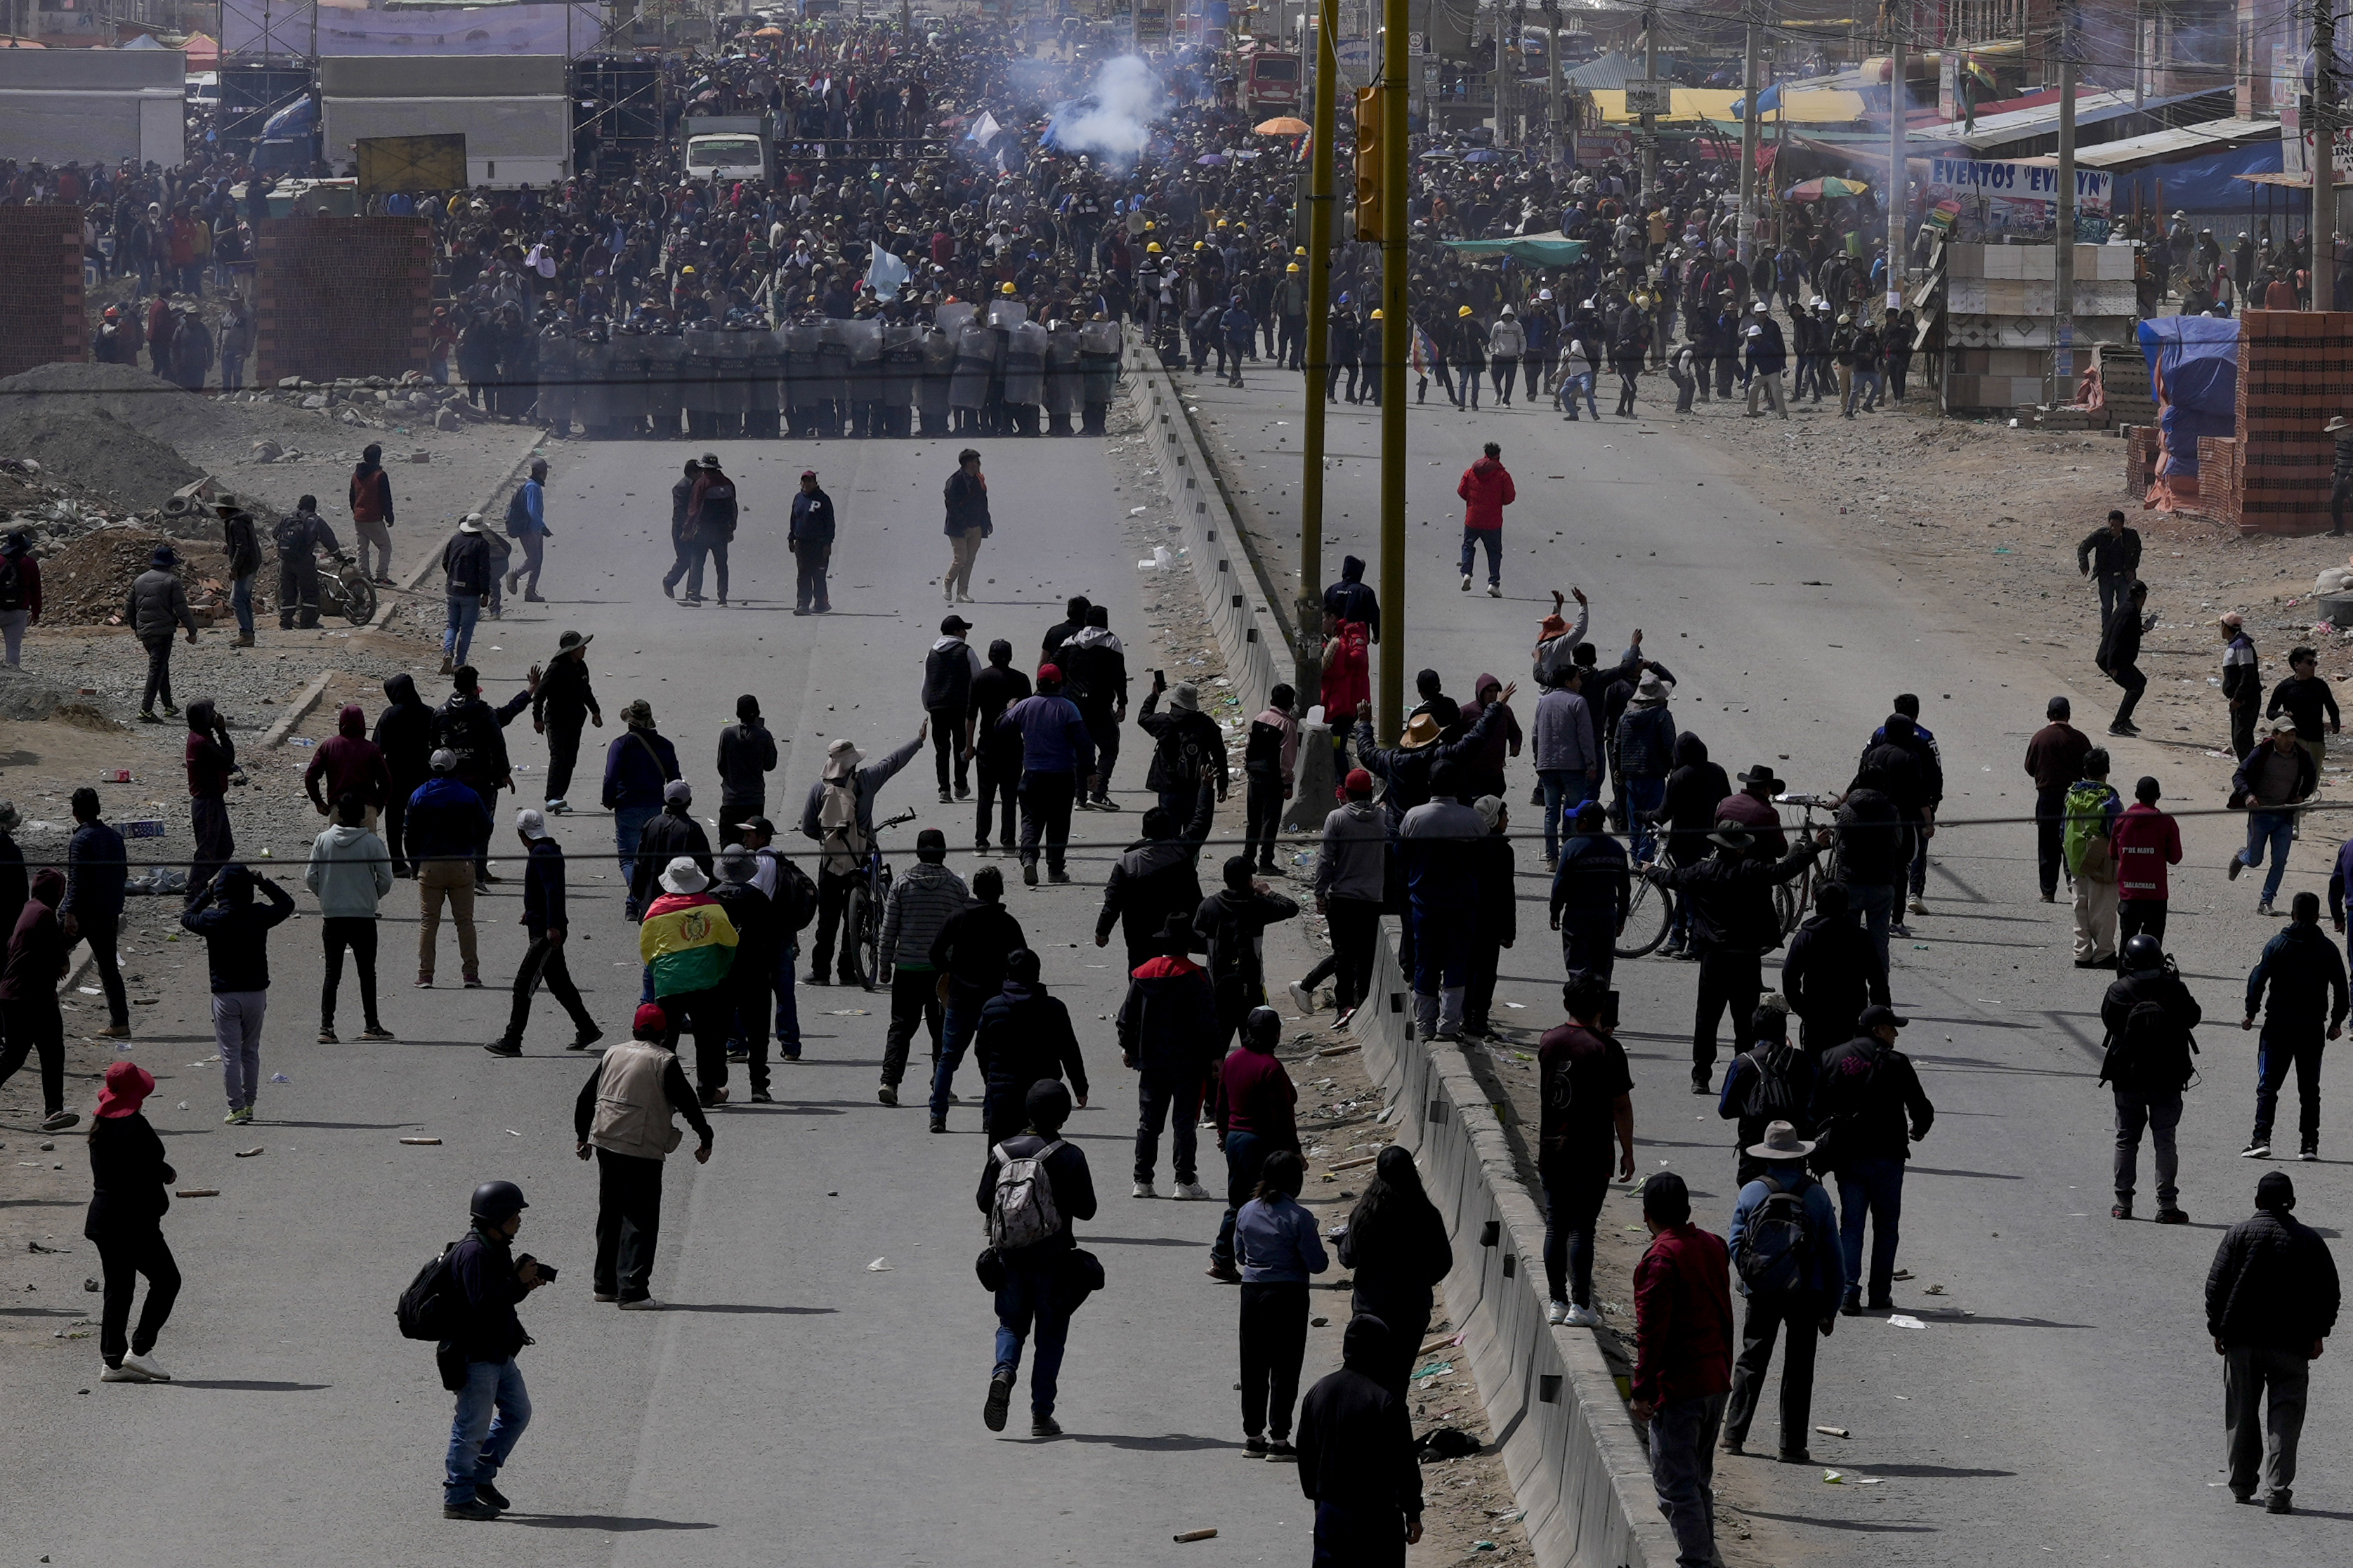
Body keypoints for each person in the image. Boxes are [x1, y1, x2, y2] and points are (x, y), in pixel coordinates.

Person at [1648, 824, 1827, 1093]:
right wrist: (1815, 847)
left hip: (1713, 959)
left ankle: (1701, 1077)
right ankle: (1745, 1074)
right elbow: (1785, 870)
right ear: (1741, 847)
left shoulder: (1702, 871)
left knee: (1706, 1021)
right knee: (1745, 1023)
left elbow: (1672, 877)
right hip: (1746, 958)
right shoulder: (1753, 870)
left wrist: (1650, 869)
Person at [2205, 1171, 2340, 1513]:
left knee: (2241, 1413)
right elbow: (2329, 1293)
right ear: (2292, 1203)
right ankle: (2277, 1491)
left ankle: (2241, 1486)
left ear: (2257, 1202)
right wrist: (2318, 1333)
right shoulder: (2309, 1240)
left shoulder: (2238, 1235)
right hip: (2291, 1346)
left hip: (2242, 1342)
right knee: (2286, 1419)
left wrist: (2218, 1329)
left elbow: (2216, 1287)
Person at [574, 1003, 714, 1311]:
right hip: (641, 1148)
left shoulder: (612, 1053)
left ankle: (605, 1286)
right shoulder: (663, 1060)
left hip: (606, 1141)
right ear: (665, 1034)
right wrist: (706, 1136)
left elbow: (585, 1098)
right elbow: (688, 1103)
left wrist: (583, 1137)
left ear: (634, 1030)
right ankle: (634, 1292)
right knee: (640, 1218)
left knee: (610, 1214)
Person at [978, 1079, 1097, 1438]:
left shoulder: (1001, 1152)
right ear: (1062, 1116)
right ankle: (1041, 1415)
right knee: (1050, 1337)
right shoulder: (1070, 1155)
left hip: (1010, 1261)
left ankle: (1003, 1373)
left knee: (1011, 1325)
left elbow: (985, 1202)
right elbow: (1088, 1210)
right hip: (1054, 1262)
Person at [1722, 1120, 1844, 1463]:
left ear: (1767, 1156)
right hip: (1807, 1292)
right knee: (1800, 1366)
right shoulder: (1817, 1195)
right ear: (1798, 1157)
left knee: (1751, 1360)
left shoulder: (1751, 1191)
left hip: (1762, 1290)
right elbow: (1835, 1257)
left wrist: (1751, 1278)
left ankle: (1734, 1435)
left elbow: (1735, 1243)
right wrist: (1830, 1308)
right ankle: (1791, 1445)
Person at [1629, 1170, 1734, 1568]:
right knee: (1697, 1481)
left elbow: (1652, 1333)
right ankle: (1704, 1555)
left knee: (1676, 1487)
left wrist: (1641, 1390)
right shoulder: (1713, 1245)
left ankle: (1697, 1561)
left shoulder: (1660, 1259)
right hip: (1714, 1381)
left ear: (1647, 1215)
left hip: (1680, 1388)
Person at [1811, 1005, 1936, 1314]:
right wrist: (1918, 1129)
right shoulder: (1897, 1062)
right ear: (1878, 1030)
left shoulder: (1832, 1057)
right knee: (1886, 1227)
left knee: (1851, 1225)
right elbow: (1920, 1107)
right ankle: (1879, 1294)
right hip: (1889, 1157)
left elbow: (1814, 1109)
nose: (1896, 1034)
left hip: (1849, 1157)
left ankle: (1848, 1293)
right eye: (1892, 1028)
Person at [438, 1180, 549, 1520]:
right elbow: (482, 1305)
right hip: (475, 1357)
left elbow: (501, 1299)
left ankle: (480, 1476)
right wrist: (516, 1282)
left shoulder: (498, 1244)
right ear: (496, 1217)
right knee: (472, 1427)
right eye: (515, 1214)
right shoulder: (473, 1253)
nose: (520, 1219)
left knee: (518, 1412)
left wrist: (523, 1285)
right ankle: (457, 1498)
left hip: (499, 1352)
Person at [1540, 973, 1637, 1327]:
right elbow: (1621, 1106)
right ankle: (1581, 1304)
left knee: (1556, 1224)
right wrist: (1627, 1150)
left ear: (1566, 1004)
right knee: (1582, 1228)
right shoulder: (1607, 1049)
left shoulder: (1549, 1041)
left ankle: (1557, 1301)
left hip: (1553, 1147)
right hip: (1592, 1151)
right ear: (1600, 1008)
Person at [1295, 1315, 1424, 1566]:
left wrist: (1316, 1499)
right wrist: (1413, 1512)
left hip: (1330, 1512)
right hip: (1378, 1517)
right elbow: (1404, 1463)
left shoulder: (1319, 1391)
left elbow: (1306, 1451)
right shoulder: (1386, 1400)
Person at [799, 727, 924, 980]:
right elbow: (894, 762)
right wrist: (918, 741)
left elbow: (808, 828)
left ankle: (820, 970)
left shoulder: (818, 790)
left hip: (831, 862)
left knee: (828, 919)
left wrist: (830, 841)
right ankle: (849, 970)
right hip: (862, 860)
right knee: (856, 916)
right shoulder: (867, 780)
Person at [179, 864, 297, 1126]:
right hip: (256, 994)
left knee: (230, 1055)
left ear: (221, 892)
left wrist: (206, 894)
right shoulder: (258, 914)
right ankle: (250, 1103)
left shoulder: (212, 919)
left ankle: (237, 1108)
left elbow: (187, 917)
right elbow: (287, 904)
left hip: (225, 996)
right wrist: (264, 882)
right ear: (249, 890)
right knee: (250, 1051)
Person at [86, 1061, 181, 1384]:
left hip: (103, 1217)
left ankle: (113, 1362)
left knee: (119, 1288)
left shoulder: (100, 1124)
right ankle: (139, 1352)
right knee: (167, 1281)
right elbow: (149, 1165)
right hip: (133, 1220)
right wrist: (167, 1173)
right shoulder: (135, 1127)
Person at [482, 808, 603, 1058]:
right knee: (560, 984)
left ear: (521, 833)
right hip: (546, 926)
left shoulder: (541, 854)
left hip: (546, 934)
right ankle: (587, 1028)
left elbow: (553, 892)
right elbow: (545, 891)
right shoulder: (549, 850)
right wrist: (532, 911)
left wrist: (552, 926)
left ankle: (512, 1040)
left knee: (522, 985)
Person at [1233, 1147, 1328, 1458]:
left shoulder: (1246, 1211)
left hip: (1252, 1294)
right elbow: (1317, 1264)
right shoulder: (1300, 1217)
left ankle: (1253, 1436)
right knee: (1285, 1367)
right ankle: (1280, 1439)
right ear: (1295, 1182)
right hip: (1288, 1295)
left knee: (1253, 1365)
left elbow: (1239, 1255)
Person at [2099, 933, 2201, 1222]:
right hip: (2167, 1078)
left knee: (2126, 1140)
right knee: (2165, 1141)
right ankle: (2167, 1206)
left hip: (2128, 1078)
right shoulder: (2174, 989)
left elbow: (2109, 1022)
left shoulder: (2118, 991)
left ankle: (2123, 1204)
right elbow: (2193, 1016)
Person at [2241, 890, 2349, 1161]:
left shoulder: (2277, 944)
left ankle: (2261, 1139)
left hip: (2277, 1028)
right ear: (2316, 917)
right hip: (2312, 1029)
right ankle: (2309, 1145)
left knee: (2268, 1085)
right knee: (2309, 1089)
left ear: (2292, 914)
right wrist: (2336, 1022)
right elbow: (2342, 988)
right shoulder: (2328, 949)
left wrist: (2251, 1012)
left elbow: (2257, 980)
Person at [1337, 1145, 1453, 1395]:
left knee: (1367, 1377)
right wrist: (1420, 1282)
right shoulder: (1427, 1215)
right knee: (1398, 1380)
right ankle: (1392, 1429)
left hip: (1369, 1310)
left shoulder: (1365, 1214)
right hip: (1412, 1313)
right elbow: (1444, 1262)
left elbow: (1347, 1258)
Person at [1118, 912, 1219, 1200]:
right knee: (1184, 1123)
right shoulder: (1196, 975)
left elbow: (1126, 1019)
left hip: (1151, 1061)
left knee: (1148, 1123)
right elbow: (1208, 1020)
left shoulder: (1142, 973)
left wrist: (1128, 1048)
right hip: (1188, 1062)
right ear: (1187, 946)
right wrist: (1215, 1055)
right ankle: (1185, 1181)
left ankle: (1142, 1180)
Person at [928, 863, 1027, 1133]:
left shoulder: (958, 917)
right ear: (1001, 892)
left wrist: (950, 972)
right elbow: (1022, 961)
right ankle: (989, 1117)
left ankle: (938, 1114)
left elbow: (935, 952)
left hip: (959, 1000)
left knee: (948, 1058)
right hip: (994, 1004)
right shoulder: (1007, 923)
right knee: (993, 1062)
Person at [877, 828, 968, 1107]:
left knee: (901, 1027)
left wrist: (884, 964)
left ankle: (889, 1082)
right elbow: (965, 932)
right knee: (942, 1029)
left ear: (918, 853)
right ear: (943, 853)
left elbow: (889, 928)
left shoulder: (902, 884)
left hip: (907, 969)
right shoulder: (956, 886)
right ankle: (941, 1084)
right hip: (943, 973)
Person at [641, 856, 740, 1105]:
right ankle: (707, 1092)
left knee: (666, 1042)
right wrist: (719, 972)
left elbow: (647, 951)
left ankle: (666, 1094)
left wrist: (662, 974)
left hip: (669, 983)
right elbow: (730, 944)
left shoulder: (655, 911)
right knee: (706, 1040)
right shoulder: (713, 909)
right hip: (705, 984)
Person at [1294, 768, 1384, 1025]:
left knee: (1344, 956)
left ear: (1347, 793)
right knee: (1366, 956)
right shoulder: (1382, 819)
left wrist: (1320, 892)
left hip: (1342, 899)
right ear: (1370, 792)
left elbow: (1326, 860)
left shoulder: (1337, 819)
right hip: (1372, 899)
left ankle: (1344, 1006)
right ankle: (1363, 1002)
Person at [1096, 779, 1216, 971]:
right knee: (1178, 975)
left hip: (1140, 937)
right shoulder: (1181, 850)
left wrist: (1102, 931)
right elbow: (1202, 821)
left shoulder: (1128, 863)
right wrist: (1206, 788)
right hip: (1177, 934)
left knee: (1141, 979)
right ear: (1169, 830)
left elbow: (1113, 901)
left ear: (1144, 831)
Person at [973, 947, 1089, 1143]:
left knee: (1001, 1156)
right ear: (1037, 974)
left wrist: (991, 1081)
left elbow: (981, 1051)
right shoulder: (1054, 1008)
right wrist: (1080, 1088)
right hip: (1043, 1097)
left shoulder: (992, 1007)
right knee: (1045, 1154)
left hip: (1004, 1096)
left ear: (1008, 974)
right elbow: (1069, 1051)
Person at [304, 792, 395, 1044]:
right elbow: (386, 880)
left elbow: (311, 877)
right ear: (363, 816)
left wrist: (328, 896)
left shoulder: (323, 840)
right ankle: (371, 1025)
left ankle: (326, 1027)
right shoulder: (372, 843)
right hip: (363, 916)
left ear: (340, 814)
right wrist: (370, 896)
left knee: (332, 974)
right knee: (367, 973)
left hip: (333, 916)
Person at [1195, 855, 1302, 1055]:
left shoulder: (1209, 907)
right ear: (1248, 881)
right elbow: (1291, 908)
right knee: (1258, 1050)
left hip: (1218, 989)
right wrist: (1268, 892)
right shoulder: (1258, 905)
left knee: (1215, 1053)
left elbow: (1194, 938)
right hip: (1251, 988)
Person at [998, 670, 1093, 885]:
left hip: (1033, 776)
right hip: (1062, 776)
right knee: (1059, 823)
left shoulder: (1024, 706)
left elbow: (1001, 728)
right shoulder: (1068, 708)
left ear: (1038, 683)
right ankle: (1055, 870)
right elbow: (1083, 743)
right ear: (1060, 685)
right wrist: (1090, 771)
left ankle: (1029, 859)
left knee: (1031, 820)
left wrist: (1009, 711)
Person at [407, 749, 492, 989]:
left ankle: (426, 975)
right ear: (456, 769)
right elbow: (486, 827)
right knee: (465, 922)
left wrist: (416, 865)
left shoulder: (419, 795)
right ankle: (471, 974)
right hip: (462, 865)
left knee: (428, 922)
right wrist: (471, 846)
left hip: (429, 866)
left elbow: (409, 833)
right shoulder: (469, 795)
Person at [0, 869, 74, 1131]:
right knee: (52, 1051)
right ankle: (54, 1110)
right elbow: (61, 962)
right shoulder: (44, 914)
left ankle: (54, 1110)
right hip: (33, 996)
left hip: (16, 994)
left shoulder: (31, 907)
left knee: (15, 1055)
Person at [1778, 883, 1888, 1054]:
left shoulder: (1806, 938)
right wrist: (1878, 1019)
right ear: (1847, 907)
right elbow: (1878, 982)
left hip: (1816, 1020)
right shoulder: (1861, 938)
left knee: (1816, 1072)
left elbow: (1789, 978)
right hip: (1851, 1020)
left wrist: (1804, 1011)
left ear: (1817, 906)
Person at [602, 699, 681, 921]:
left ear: (629, 723)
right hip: (656, 809)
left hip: (627, 807)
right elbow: (675, 780)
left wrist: (608, 800)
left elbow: (611, 777)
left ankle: (638, 900)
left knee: (629, 859)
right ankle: (632, 904)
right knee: (650, 858)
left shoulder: (620, 745)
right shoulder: (665, 745)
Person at [60, 788, 129, 1039]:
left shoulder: (81, 840)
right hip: (108, 914)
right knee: (110, 969)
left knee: (50, 955)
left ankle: (34, 1018)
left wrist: (69, 913)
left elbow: (78, 881)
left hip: (85, 914)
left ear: (75, 813)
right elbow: (122, 875)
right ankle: (120, 1023)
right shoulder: (114, 837)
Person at [2231, 717, 2318, 916]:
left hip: (2285, 815)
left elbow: (2311, 776)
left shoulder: (2302, 755)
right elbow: (2239, 775)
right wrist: (2248, 795)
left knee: (2279, 861)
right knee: (2254, 860)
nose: (2290, 739)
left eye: (2293, 735)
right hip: (2261, 813)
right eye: (2285, 735)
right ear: (2275, 735)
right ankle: (2241, 857)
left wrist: (2302, 795)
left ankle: (2266, 901)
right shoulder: (2261, 753)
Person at [1550, 800, 1631, 986]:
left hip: (1578, 917)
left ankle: (1581, 1008)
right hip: (1606, 917)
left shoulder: (1572, 847)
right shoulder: (1616, 849)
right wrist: (1620, 920)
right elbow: (1625, 888)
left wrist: (1555, 912)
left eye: (1577, 820)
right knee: (1601, 970)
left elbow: (1560, 884)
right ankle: (1598, 1010)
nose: (1575, 824)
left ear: (1584, 823)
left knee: (1578, 968)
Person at [2024, 695, 2094, 902]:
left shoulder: (2039, 738)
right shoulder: (2080, 739)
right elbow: (2090, 768)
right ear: (2069, 715)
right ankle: (2073, 885)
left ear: (2048, 715)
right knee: (2071, 842)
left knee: (2047, 845)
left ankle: (2047, 892)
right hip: (2073, 799)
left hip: (2046, 799)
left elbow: (2030, 768)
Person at [969, 638, 1030, 855]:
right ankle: (1008, 843)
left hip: (987, 744)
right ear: (1010, 656)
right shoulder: (1021, 680)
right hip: (1013, 744)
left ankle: (982, 843)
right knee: (1009, 796)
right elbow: (1027, 718)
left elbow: (971, 717)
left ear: (990, 656)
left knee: (985, 796)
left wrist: (969, 746)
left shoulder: (979, 679)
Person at [1136, 672, 1228, 817]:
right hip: (1196, 787)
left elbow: (1143, 717)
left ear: (1174, 703)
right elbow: (1219, 756)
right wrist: (1222, 785)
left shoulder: (1165, 722)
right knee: (1192, 832)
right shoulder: (1207, 724)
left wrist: (1154, 695)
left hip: (1169, 786)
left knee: (1170, 834)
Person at [1462, 796, 1516, 1040]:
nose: (1507, 820)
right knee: (1485, 973)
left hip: (1466, 918)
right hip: (1490, 921)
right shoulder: (1502, 850)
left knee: (1466, 969)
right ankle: (1479, 1020)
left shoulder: (1467, 844)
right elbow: (1507, 892)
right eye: (1504, 815)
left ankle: (1464, 1017)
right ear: (1493, 818)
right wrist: (1508, 931)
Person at [1533, 668, 1599, 867]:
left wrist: (1539, 759)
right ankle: (1569, 854)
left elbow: (1535, 734)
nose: (1580, 681)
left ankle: (1552, 858)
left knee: (1551, 813)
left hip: (1547, 766)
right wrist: (1591, 763)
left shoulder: (1543, 702)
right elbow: (1585, 736)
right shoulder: (1578, 702)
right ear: (1569, 681)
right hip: (1572, 767)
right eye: (1578, 678)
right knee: (1573, 810)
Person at [531, 631, 601, 815]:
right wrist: (537, 719)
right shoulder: (556, 668)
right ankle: (551, 797)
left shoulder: (581, 666)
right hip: (556, 721)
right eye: (581, 646)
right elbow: (540, 695)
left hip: (575, 721)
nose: (584, 649)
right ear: (571, 650)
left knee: (570, 759)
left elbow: (586, 691)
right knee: (558, 756)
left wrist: (595, 711)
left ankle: (559, 798)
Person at [127, 544, 199, 721]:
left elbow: (129, 607)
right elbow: (181, 609)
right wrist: (192, 631)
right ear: (169, 564)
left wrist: (136, 628)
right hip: (163, 632)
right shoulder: (172, 581)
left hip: (145, 632)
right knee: (156, 668)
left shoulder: (139, 580)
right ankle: (146, 710)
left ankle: (168, 706)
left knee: (161, 666)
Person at [2111, 775, 2182, 943]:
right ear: (2158, 796)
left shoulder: (2122, 819)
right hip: (2155, 896)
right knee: (2152, 943)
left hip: (2129, 894)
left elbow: (2113, 853)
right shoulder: (2166, 822)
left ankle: (2124, 969)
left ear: (2137, 795)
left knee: (2127, 942)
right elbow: (2175, 858)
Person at [923, 614, 985, 804]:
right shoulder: (966, 651)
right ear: (956, 632)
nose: (966, 633)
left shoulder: (931, 653)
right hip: (960, 708)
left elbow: (926, 683)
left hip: (937, 708)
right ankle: (960, 785)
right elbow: (978, 678)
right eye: (963, 629)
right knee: (962, 747)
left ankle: (944, 790)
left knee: (941, 750)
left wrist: (929, 706)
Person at [303, 702, 391, 828]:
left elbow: (311, 776)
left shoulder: (329, 746)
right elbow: (386, 781)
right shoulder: (372, 749)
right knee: (367, 846)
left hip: (339, 810)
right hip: (366, 810)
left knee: (338, 844)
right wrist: (379, 804)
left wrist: (318, 802)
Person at [1240, 685, 1297, 872]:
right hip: (1273, 781)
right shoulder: (1287, 726)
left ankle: (1248, 857)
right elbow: (1286, 760)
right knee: (1270, 821)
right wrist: (1287, 783)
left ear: (1272, 701)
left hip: (1254, 777)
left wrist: (1248, 766)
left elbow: (1248, 747)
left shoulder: (1259, 718)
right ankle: (1265, 862)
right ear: (1291, 705)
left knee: (1254, 820)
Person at [713, 694, 778, 848]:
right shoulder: (764, 735)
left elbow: (721, 766)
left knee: (729, 848)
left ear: (738, 714)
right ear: (758, 713)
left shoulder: (727, 734)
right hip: (754, 800)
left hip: (731, 800)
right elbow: (770, 765)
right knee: (752, 848)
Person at [2266, 644, 2340, 770]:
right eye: (2309, 662)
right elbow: (2270, 712)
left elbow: (2332, 707)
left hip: (2316, 740)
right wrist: (2282, 716)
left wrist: (2335, 723)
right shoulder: (2285, 687)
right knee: (2293, 777)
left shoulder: (2320, 686)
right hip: (2294, 740)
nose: (2314, 666)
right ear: (2297, 665)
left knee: (2312, 780)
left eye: (2315, 662)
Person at [272, 494, 340, 631]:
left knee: (287, 592)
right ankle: (307, 622)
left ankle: (285, 623)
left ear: (299, 504)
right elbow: (329, 540)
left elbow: (275, 534)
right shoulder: (315, 520)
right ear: (314, 507)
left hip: (285, 561)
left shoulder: (287, 517)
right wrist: (338, 555)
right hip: (304, 562)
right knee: (310, 592)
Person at [1456, 440, 1515, 597]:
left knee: (1468, 546)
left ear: (1485, 455)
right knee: (1494, 553)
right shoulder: (1502, 475)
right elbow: (1509, 498)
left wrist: (1473, 502)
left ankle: (1466, 573)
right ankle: (1493, 584)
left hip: (1473, 518)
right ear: (1498, 456)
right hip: (1493, 522)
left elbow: (1462, 491)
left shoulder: (1470, 472)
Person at [438, 514, 492, 674]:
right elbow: (484, 571)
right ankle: (459, 663)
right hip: (471, 593)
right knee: (466, 629)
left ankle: (447, 652)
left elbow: (445, 562)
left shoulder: (455, 539)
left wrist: (453, 577)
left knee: (452, 625)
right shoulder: (482, 544)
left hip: (453, 590)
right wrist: (485, 593)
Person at [2077, 508, 2142, 636]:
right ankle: (2107, 635)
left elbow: (2137, 550)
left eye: (2117, 526)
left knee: (2124, 607)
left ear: (2122, 525)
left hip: (2124, 577)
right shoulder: (2101, 536)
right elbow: (2084, 546)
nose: (2114, 529)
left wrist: (2132, 569)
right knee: (2107, 608)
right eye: (2111, 525)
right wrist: (2084, 563)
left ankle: (2120, 634)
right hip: (2106, 577)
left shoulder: (2130, 536)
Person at [2098, 580, 2150, 737]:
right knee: (2135, 687)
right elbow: (2116, 638)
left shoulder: (2129, 609)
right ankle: (2117, 725)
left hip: (2119, 659)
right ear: (2141, 596)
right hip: (2113, 660)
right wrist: (2112, 665)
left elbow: (2127, 632)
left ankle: (2124, 720)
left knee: (2140, 682)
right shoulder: (2129, 611)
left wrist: (2141, 630)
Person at [943, 447, 991, 602]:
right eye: (977, 462)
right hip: (959, 527)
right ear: (970, 464)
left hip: (977, 525)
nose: (979, 464)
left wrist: (987, 522)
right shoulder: (955, 481)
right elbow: (951, 505)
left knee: (970, 560)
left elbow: (983, 502)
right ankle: (947, 582)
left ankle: (962, 592)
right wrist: (964, 524)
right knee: (960, 558)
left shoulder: (978, 479)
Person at [788, 469, 837, 615]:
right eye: (804, 481)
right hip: (802, 544)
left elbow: (830, 523)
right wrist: (791, 538)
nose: (807, 484)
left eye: (810, 481)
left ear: (815, 483)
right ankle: (803, 604)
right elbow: (794, 520)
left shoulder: (823, 499)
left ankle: (822, 603)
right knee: (803, 574)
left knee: (819, 575)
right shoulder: (798, 498)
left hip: (819, 544)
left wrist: (828, 543)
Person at [502, 459, 550, 603]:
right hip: (529, 529)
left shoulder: (533, 485)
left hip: (535, 528)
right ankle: (514, 575)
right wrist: (542, 527)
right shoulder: (532, 487)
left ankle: (530, 591)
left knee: (538, 560)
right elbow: (532, 511)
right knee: (534, 559)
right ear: (542, 473)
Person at [348, 442, 397, 587]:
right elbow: (385, 498)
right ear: (378, 458)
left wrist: (356, 511)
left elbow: (352, 497)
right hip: (373, 518)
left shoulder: (356, 475)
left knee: (362, 548)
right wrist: (389, 517)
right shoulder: (379, 475)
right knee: (385, 546)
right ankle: (381, 576)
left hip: (359, 517)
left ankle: (365, 576)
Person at [2222, 612, 2263, 760]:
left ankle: (2251, 773)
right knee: (2239, 739)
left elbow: (2248, 673)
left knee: (2242, 740)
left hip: (2246, 700)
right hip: (2242, 699)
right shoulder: (2236, 644)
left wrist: (2238, 698)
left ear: (2225, 627)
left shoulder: (2242, 645)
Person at [218, 503, 258, 647]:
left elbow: (242, 548)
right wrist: (230, 547)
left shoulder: (235, 522)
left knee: (236, 601)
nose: (217, 511)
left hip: (245, 567)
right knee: (244, 599)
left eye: (219, 509)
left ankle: (246, 634)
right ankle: (248, 634)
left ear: (225, 509)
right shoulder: (241, 520)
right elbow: (242, 543)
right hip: (251, 564)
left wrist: (234, 568)